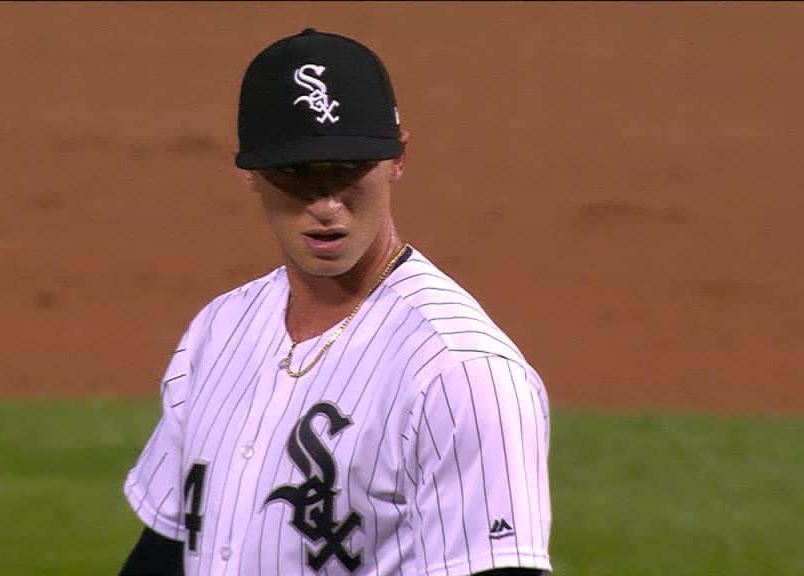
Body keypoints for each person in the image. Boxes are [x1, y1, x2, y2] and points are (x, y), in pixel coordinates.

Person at [118, 28, 552, 576]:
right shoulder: (219, 331)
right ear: (250, 172)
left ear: (397, 158)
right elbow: (167, 548)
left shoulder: (462, 373)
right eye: (296, 173)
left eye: (348, 169)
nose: (326, 203)